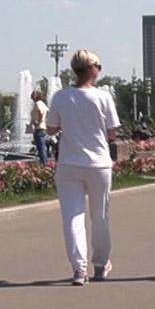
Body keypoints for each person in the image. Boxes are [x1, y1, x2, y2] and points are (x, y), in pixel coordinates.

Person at [45, 50, 121, 286]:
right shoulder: (103, 97)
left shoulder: (60, 96)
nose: (99, 69)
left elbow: (50, 129)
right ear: (91, 69)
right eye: (98, 65)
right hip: (98, 163)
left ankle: (79, 269)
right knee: (100, 217)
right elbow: (112, 132)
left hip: (69, 164)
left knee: (72, 217)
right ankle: (100, 264)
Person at [29, 90, 50, 165]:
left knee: (41, 147)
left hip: (39, 129)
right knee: (43, 147)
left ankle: (44, 163)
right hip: (43, 128)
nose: (31, 96)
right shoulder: (43, 104)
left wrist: (39, 122)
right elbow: (48, 112)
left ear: (36, 96)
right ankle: (45, 162)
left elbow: (41, 112)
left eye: (33, 94)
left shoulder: (37, 104)